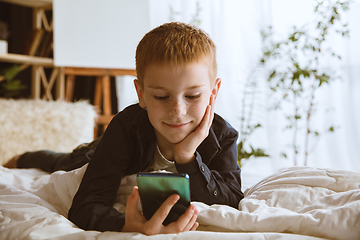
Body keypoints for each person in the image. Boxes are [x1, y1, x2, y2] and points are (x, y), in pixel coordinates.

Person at [5, 22, 244, 235]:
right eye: (161, 97)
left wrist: (186, 157)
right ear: (141, 94)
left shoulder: (223, 135)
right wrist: (125, 225)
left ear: (213, 92)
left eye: (192, 95)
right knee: (71, 161)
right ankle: (28, 156)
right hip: (98, 150)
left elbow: (231, 200)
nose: (177, 111)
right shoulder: (125, 127)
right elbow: (86, 205)